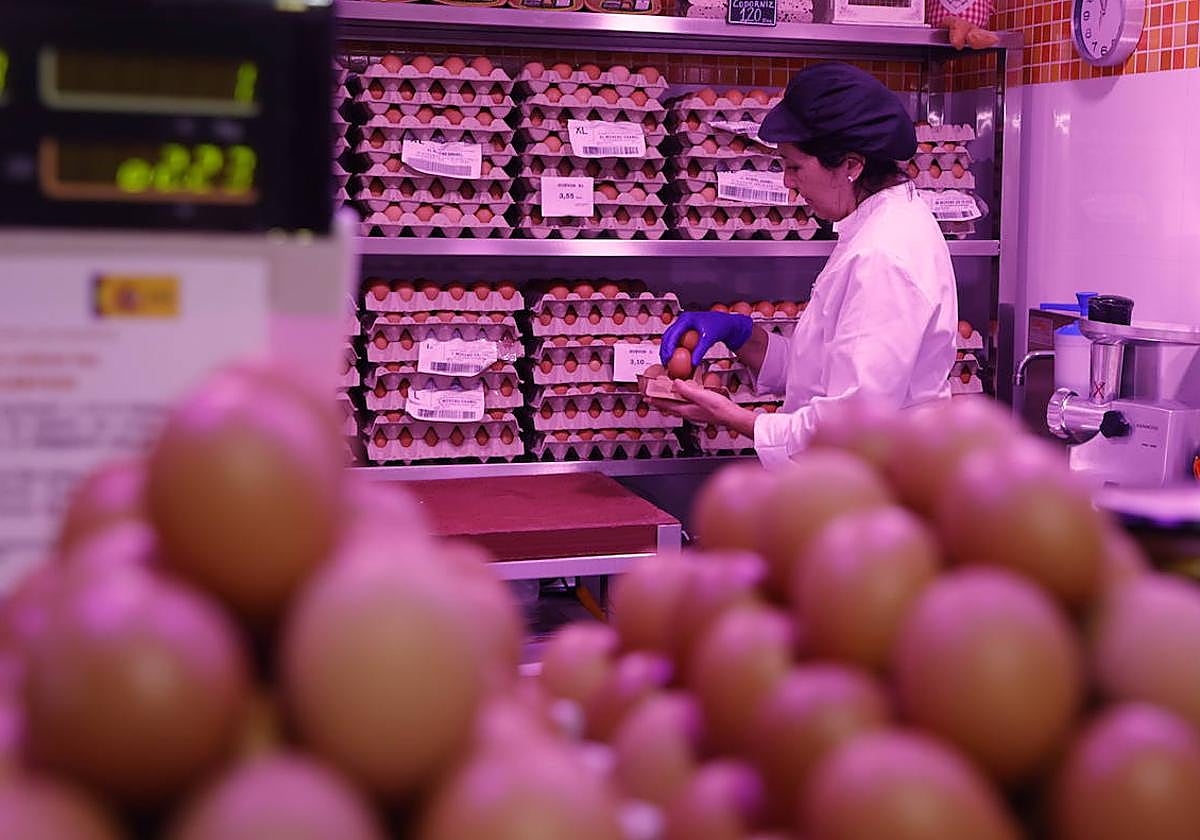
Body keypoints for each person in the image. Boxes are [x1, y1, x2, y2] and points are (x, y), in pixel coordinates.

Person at [655, 62, 959, 470]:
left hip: (876, 493)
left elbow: (849, 428)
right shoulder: (875, 226)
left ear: (851, 165)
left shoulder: (883, 257)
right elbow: (825, 371)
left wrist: (734, 418)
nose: (787, 183)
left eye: (795, 167)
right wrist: (743, 335)